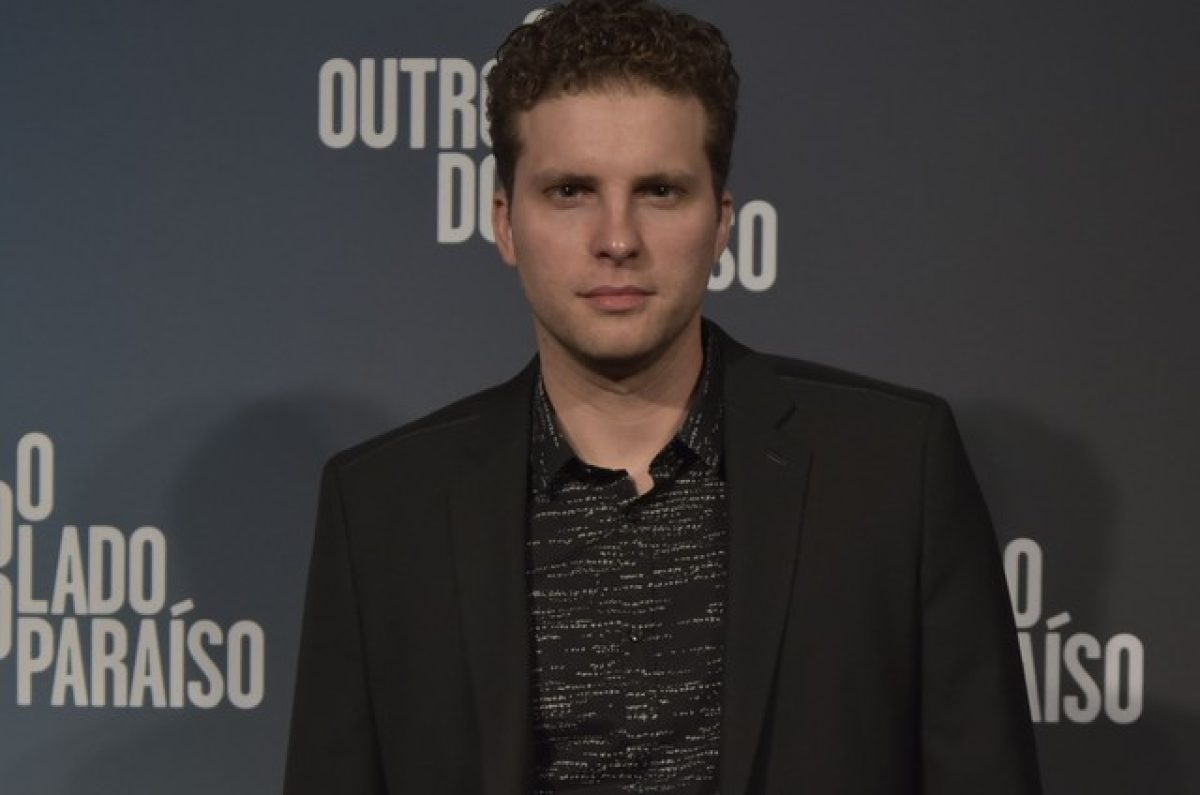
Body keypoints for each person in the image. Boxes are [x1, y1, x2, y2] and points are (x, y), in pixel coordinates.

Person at [283, 1, 1042, 792]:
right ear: (505, 222)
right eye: (570, 190)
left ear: (721, 222)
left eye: (659, 190)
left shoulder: (893, 472)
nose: (617, 238)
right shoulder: (381, 510)